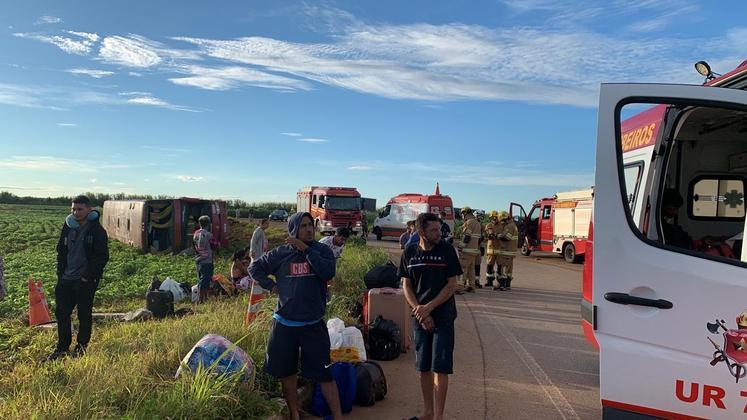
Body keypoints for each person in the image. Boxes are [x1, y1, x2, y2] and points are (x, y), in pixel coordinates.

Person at [248, 212, 342, 420]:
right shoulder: (280, 253)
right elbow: (254, 268)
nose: (309, 229)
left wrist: (306, 249)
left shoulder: (322, 250)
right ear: (293, 229)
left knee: (325, 375)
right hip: (285, 325)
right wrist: (271, 286)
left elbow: (327, 273)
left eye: (311, 225)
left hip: (313, 325)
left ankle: (338, 417)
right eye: (303, 226)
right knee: (287, 373)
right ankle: (294, 413)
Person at [399, 212, 462, 420]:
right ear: (421, 232)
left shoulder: (447, 251)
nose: (439, 233)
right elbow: (406, 285)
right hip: (420, 320)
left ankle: (438, 416)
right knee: (424, 367)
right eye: (433, 230)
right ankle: (427, 412)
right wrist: (420, 310)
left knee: (440, 368)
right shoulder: (409, 252)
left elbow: (452, 285)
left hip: (443, 318)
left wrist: (429, 308)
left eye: (439, 229)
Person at [48, 195, 109, 361]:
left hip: (85, 280)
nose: (76, 212)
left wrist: (87, 277)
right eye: (73, 209)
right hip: (66, 278)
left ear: (89, 209)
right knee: (62, 314)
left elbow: (102, 257)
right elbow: (61, 250)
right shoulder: (68, 227)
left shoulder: (97, 231)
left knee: (84, 314)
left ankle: (81, 348)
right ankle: (62, 348)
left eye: (80, 209)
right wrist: (61, 275)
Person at [457, 207, 481, 293]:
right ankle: (471, 286)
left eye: (462, 214)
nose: (462, 216)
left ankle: (459, 287)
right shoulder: (477, 223)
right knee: (471, 269)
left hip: (467, 250)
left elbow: (466, 236)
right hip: (474, 250)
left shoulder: (469, 222)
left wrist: (460, 246)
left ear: (465, 213)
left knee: (462, 268)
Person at [494, 211, 519, 291]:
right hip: (510, 251)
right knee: (508, 270)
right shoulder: (513, 225)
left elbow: (507, 238)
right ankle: (507, 285)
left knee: (502, 268)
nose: (501, 223)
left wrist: (498, 235)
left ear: (504, 219)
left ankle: (502, 285)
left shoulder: (509, 226)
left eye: (501, 220)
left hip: (506, 251)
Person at [193, 215, 214, 302]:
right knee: (205, 280)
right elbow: (215, 245)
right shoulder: (208, 234)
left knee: (201, 279)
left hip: (198, 259)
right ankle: (202, 299)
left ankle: (203, 298)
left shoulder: (196, 233)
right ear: (208, 224)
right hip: (207, 260)